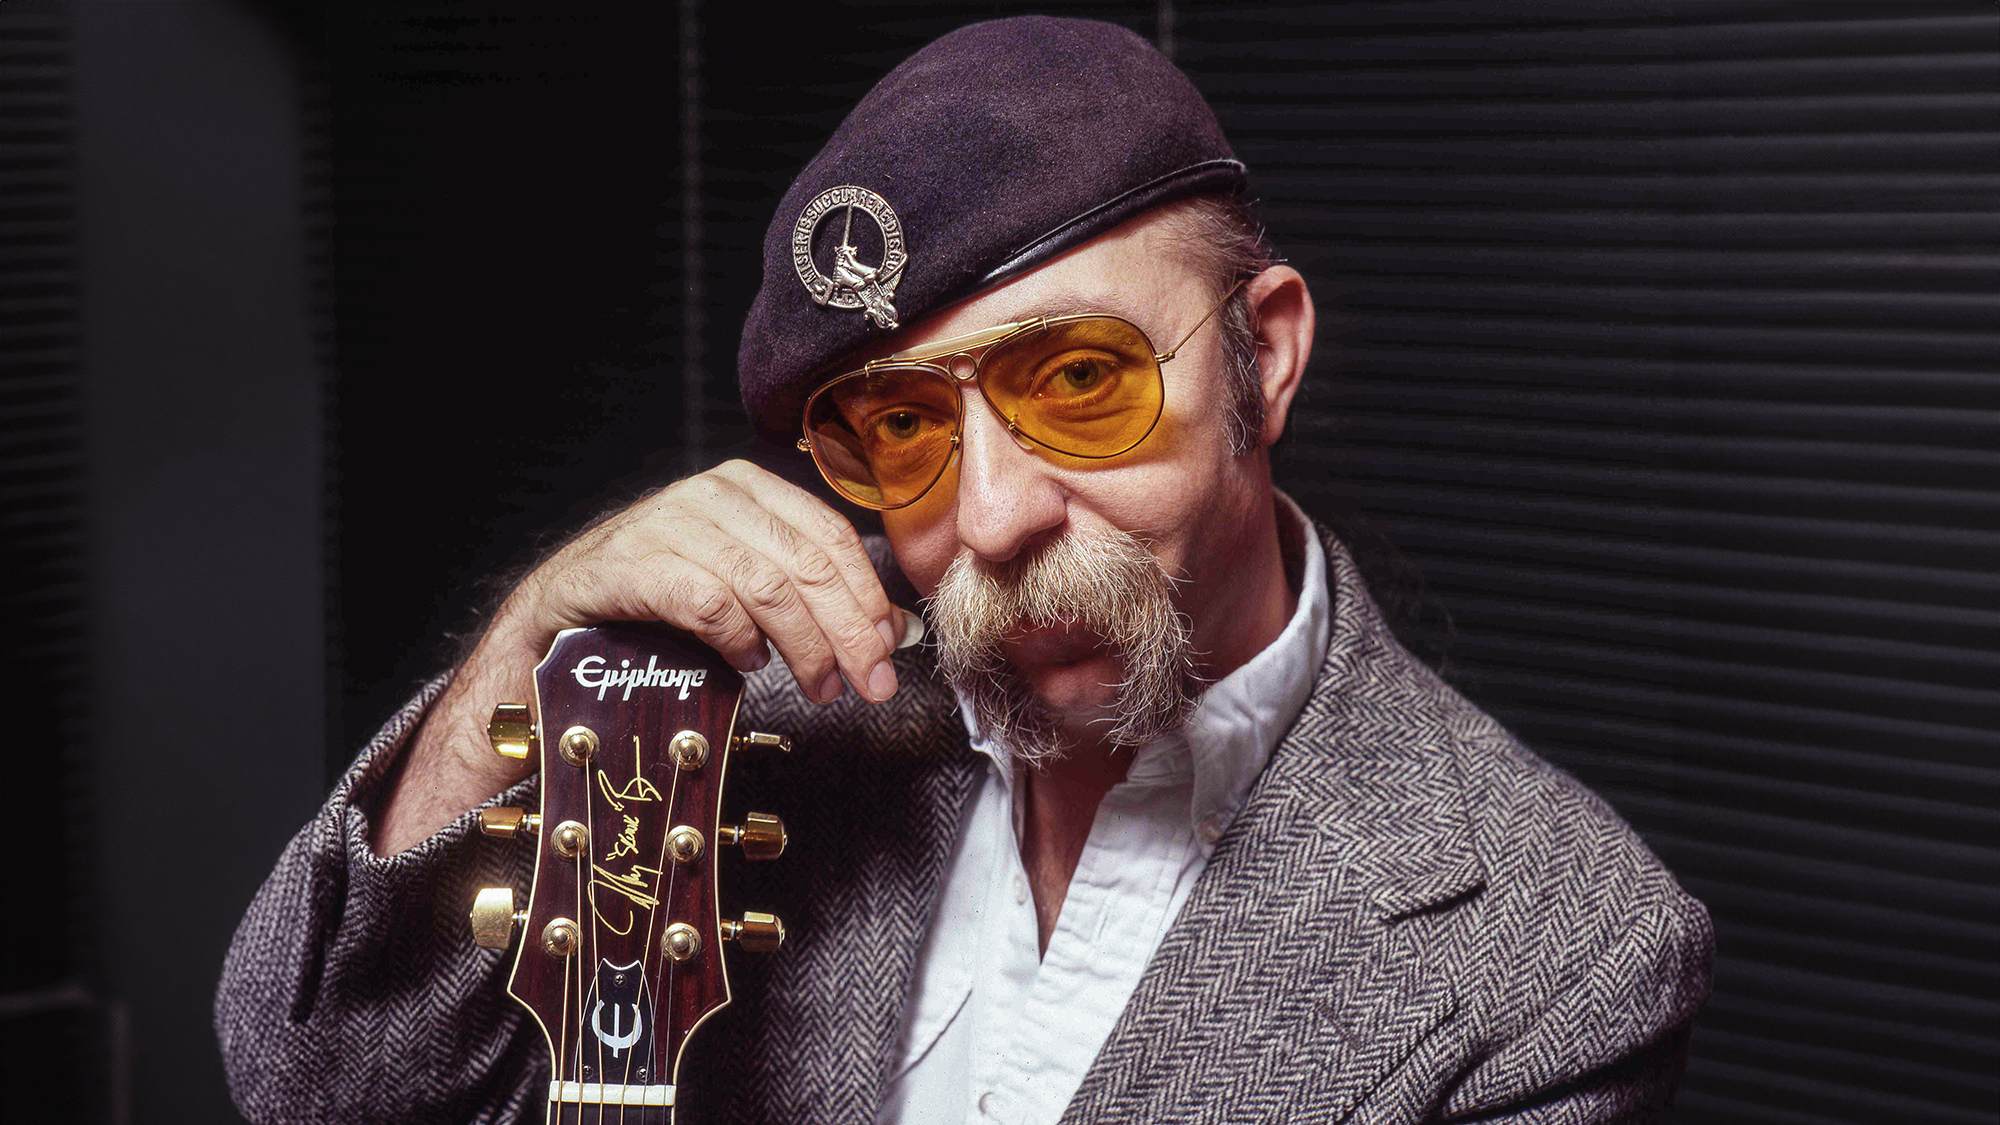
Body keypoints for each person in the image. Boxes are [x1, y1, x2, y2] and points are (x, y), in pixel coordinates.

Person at [217, 17, 1711, 1125]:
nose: (988, 519)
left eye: (1081, 381)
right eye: (905, 428)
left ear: (1263, 354)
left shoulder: (1560, 953)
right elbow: (317, 1087)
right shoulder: (726, 723)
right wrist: (522, 652)